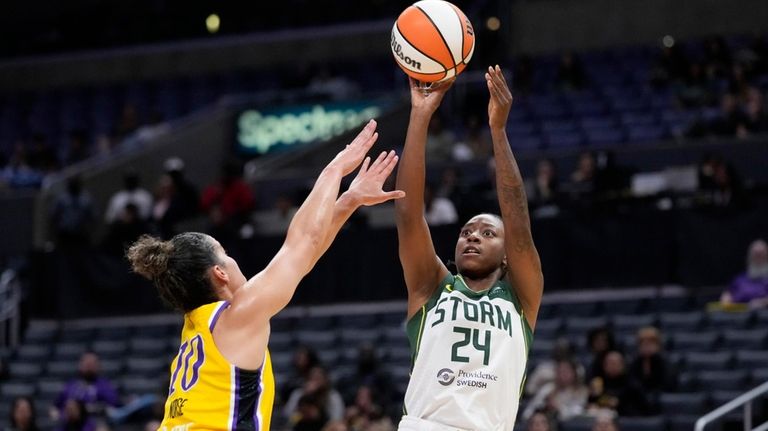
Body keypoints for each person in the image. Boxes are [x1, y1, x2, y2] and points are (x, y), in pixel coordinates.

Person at [126, 120, 404, 431]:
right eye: (226, 255)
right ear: (219, 273)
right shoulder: (236, 315)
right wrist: (335, 169)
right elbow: (303, 243)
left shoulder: (198, 328)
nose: (233, 261)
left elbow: (304, 256)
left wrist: (349, 200)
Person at [395, 66, 543, 431]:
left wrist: (498, 132)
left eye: (488, 233)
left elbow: (520, 230)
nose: (473, 236)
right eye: (466, 231)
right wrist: (420, 115)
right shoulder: (432, 287)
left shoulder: (521, 298)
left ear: (508, 256)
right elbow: (409, 214)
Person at [54, 352, 120, 420]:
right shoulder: (70, 385)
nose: (89, 367)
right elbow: (56, 407)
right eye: (86, 363)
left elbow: (113, 406)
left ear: (98, 366)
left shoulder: (105, 385)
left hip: (96, 422)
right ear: (80, 365)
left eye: (92, 364)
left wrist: (88, 408)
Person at [522, 359, 588, 422]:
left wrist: (558, 408)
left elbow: (579, 412)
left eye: (566, 371)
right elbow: (528, 413)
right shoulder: (548, 388)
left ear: (574, 373)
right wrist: (544, 405)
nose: (562, 375)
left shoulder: (581, 391)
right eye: (560, 371)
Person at [721, 239, 768, 308]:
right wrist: (726, 301)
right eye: (756, 254)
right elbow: (728, 294)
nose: (758, 258)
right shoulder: (740, 279)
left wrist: (763, 302)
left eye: (761, 254)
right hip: (737, 315)